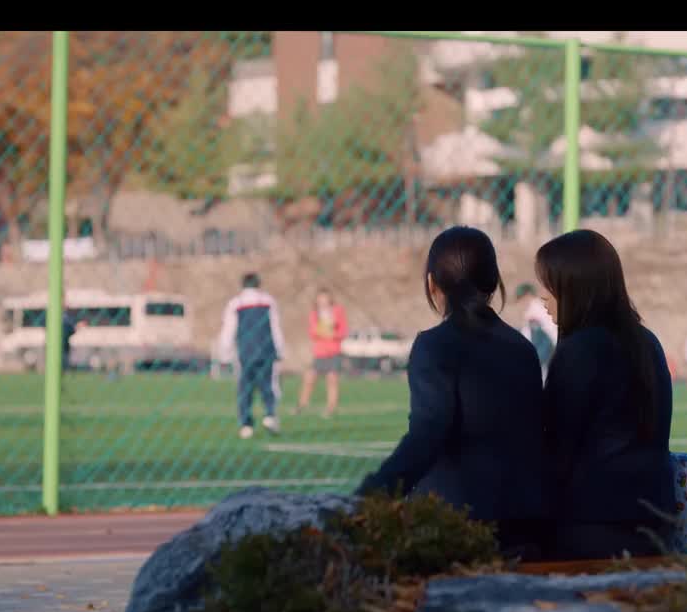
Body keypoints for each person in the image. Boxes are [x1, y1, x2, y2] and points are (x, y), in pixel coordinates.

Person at [355, 226, 549, 559]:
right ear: (494, 282)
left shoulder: (434, 345)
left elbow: (428, 433)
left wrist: (372, 493)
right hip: (525, 520)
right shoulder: (522, 348)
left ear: (432, 284)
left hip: (457, 521)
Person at [534, 229, 676, 560]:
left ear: (576, 287)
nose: (542, 297)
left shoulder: (581, 349)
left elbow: (558, 449)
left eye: (549, 285)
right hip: (656, 516)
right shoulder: (646, 341)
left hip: (593, 522)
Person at [218, 272, 286, 439]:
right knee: (268, 385)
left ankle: (246, 424)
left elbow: (229, 328)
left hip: (246, 351)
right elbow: (275, 326)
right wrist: (280, 349)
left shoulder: (236, 303)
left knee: (245, 389)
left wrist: (224, 351)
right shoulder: (268, 301)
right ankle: (270, 415)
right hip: (266, 349)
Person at [296, 288, 348, 419]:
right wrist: (323, 331)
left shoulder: (337, 311)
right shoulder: (315, 314)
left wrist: (332, 334)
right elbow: (313, 332)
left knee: (332, 379)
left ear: (330, 299)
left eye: (325, 298)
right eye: (320, 299)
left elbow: (343, 331)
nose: (323, 301)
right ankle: (301, 405)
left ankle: (331, 407)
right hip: (320, 353)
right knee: (309, 377)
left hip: (334, 351)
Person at [515, 283, 558, 383]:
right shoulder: (539, 306)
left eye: (522, 298)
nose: (521, 302)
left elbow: (540, 336)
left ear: (528, 295)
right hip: (552, 345)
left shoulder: (534, 308)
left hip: (548, 346)